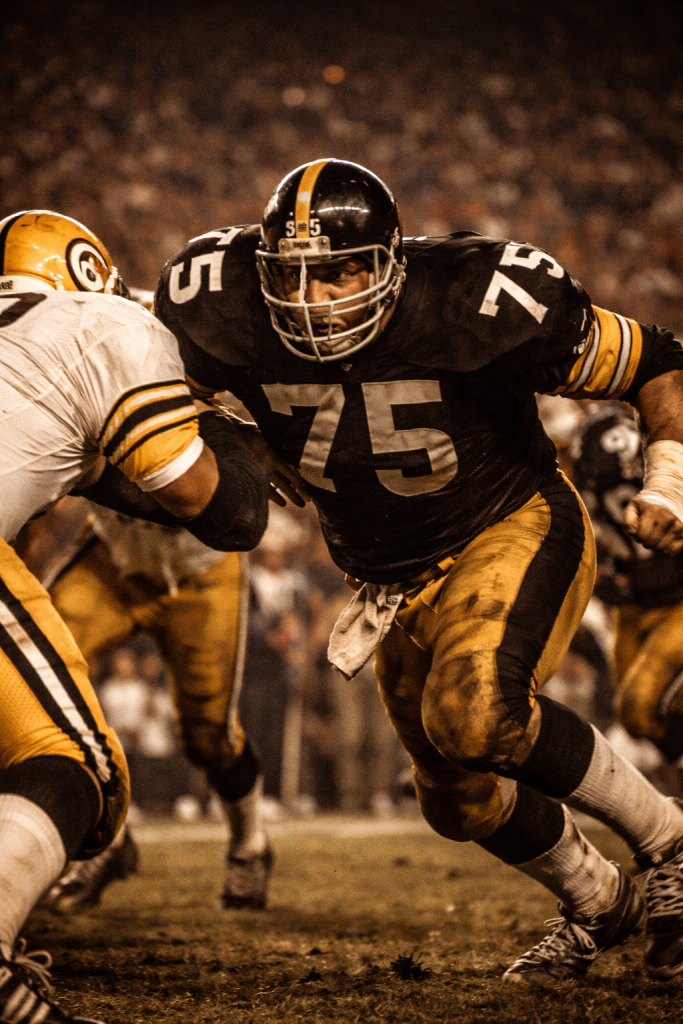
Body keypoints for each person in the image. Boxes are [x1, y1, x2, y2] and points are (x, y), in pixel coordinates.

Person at [155, 158, 683, 983]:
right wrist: (240, 437)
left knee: (475, 714)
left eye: (337, 273)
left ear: (390, 262)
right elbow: (155, 398)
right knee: (456, 800)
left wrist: (669, 479)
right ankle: (596, 900)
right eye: (290, 277)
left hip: (508, 522)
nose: (312, 300)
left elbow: (655, 361)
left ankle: (670, 842)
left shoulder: (479, 298)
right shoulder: (213, 299)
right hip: (387, 578)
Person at [0, 209, 272, 1023]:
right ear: (91, 274)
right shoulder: (113, 325)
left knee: (206, 735)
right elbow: (208, 501)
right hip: (121, 563)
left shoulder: (58, 342)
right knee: (73, 755)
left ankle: (249, 842)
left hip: (199, 577)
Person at [24, 497, 274, 913]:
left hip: (203, 567)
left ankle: (250, 846)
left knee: (208, 737)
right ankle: (109, 837)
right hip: (113, 558)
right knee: (30, 676)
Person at [573, 405, 683, 766]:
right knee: (634, 717)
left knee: (636, 705)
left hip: (676, 598)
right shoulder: (578, 460)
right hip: (634, 602)